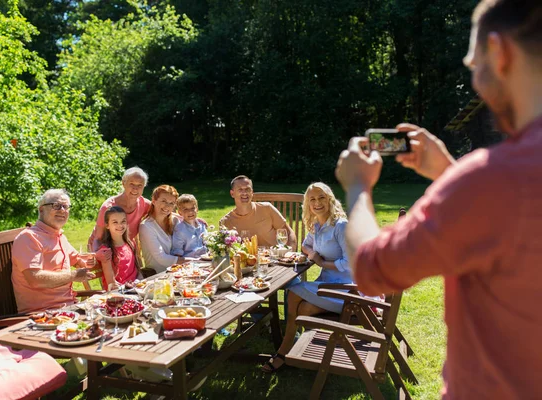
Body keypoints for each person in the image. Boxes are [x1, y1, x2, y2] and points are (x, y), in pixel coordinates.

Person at [336, 0, 542, 398]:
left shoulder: (491, 179)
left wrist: (358, 187)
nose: (475, 80)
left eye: (473, 64)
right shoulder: (493, 186)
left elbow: (371, 268)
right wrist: (449, 173)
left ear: (499, 53)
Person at [262, 182, 352, 373]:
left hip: (347, 290)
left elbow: (349, 262)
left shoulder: (340, 226)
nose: (317, 203)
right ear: (308, 204)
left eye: (321, 198)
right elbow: (305, 245)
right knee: (303, 307)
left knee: (293, 291)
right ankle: (291, 348)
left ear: (329, 200)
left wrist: (322, 263)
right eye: (312, 199)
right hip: (326, 284)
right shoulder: (317, 224)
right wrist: (313, 255)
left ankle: (282, 354)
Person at [12, 189, 95, 313]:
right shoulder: (29, 237)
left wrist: (85, 262)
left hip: (67, 308)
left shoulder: (59, 236)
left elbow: (77, 259)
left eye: (66, 206)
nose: (62, 210)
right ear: (41, 209)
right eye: (56, 206)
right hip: (42, 315)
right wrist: (73, 275)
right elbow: (35, 279)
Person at [220, 175, 297, 248]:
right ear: (232, 193)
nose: (244, 193)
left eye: (247, 189)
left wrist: (290, 254)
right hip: (244, 260)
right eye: (240, 189)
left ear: (252, 192)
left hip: (274, 258)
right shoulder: (226, 221)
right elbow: (224, 250)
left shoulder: (267, 208)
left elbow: (289, 233)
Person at [88, 167, 151, 252]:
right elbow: (98, 239)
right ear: (123, 183)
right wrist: (96, 255)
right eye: (131, 184)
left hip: (124, 247)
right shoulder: (108, 207)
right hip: (103, 246)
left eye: (140, 185)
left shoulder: (144, 204)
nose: (135, 188)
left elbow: (162, 210)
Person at [138, 185, 196, 273]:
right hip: (158, 275)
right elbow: (162, 258)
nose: (167, 206)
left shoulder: (175, 220)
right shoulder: (146, 226)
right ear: (153, 200)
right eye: (164, 201)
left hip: (179, 271)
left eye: (171, 203)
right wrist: (195, 260)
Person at [97, 206, 142, 290]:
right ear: (107, 225)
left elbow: (138, 271)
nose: (120, 225)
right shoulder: (106, 251)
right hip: (119, 293)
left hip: (135, 288)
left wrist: (141, 283)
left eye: (123, 221)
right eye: (115, 222)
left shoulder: (131, 244)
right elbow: (111, 283)